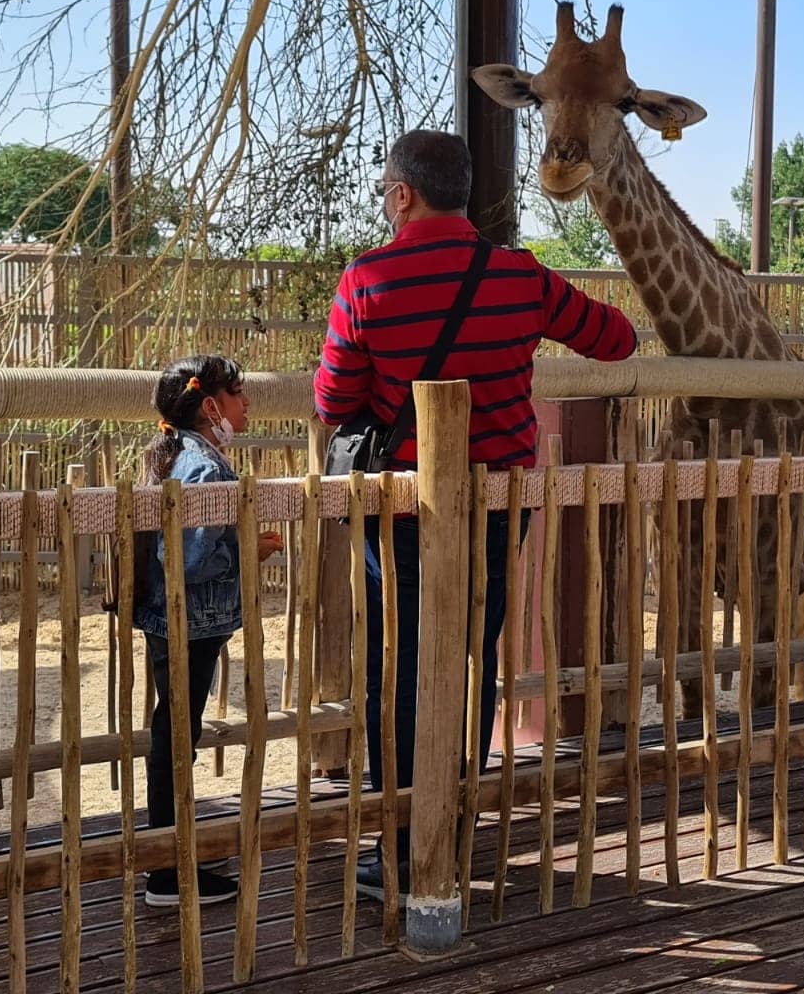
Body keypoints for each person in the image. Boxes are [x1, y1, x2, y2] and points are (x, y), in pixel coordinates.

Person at [314, 130, 638, 903]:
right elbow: (618, 342)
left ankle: (399, 847)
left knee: (397, 665)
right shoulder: (519, 275)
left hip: (401, 507)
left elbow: (333, 403)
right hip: (495, 506)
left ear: (403, 194)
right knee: (472, 660)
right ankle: (454, 838)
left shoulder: (365, 281)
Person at [139, 354, 283, 908]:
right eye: (239, 392)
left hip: (174, 616)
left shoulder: (182, 454)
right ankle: (167, 873)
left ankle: (170, 854)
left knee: (175, 728)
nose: (246, 403)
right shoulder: (204, 466)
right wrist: (249, 550)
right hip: (189, 619)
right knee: (177, 733)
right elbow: (193, 560)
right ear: (211, 405)